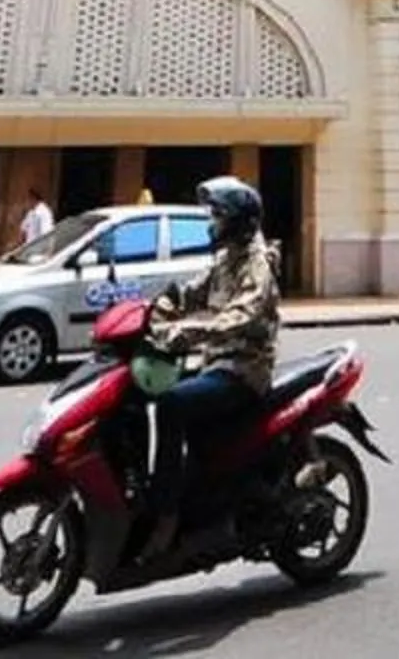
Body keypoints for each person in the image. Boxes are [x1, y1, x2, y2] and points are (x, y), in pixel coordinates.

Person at [134, 176, 281, 561]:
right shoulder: (225, 259)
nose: (211, 224)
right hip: (216, 364)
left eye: (217, 216)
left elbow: (240, 316)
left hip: (243, 371)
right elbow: (188, 293)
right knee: (138, 393)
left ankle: (165, 517)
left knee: (170, 405)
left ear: (237, 221)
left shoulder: (256, 266)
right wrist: (154, 310)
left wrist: (184, 332)